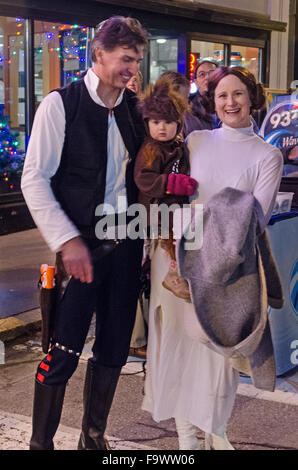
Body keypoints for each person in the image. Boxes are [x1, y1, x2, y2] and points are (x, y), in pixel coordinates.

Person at [21, 16, 148, 450]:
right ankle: (41, 444)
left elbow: (146, 176)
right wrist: (67, 240)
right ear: (99, 54)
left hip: (127, 248)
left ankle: (92, 440)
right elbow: (34, 179)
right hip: (82, 248)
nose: (132, 68)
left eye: (137, 60)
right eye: (126, 58)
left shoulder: (135, 109)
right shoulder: (62, 104)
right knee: (62, 351)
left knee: (113, 348)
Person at [142, 66, 283, 450]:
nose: (230, 102)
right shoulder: (197, 140)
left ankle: (214, 433)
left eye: (237, 94)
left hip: (228, 269)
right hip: (176, 264)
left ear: (251, 98)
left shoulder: (267, 154)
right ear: (213, 101)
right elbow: (167, 195)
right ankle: (188, 439)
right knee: (178, 350)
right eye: (222, 95)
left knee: (219, 361)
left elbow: (255, 216)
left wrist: (197, 219)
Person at [134, 82, 198, 301]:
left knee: (182, 239)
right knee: (171, 242)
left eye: (168, 122)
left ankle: (174, 272)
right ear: (147, 123)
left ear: (178, 124)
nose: (162, 127)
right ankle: (172, 275)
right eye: (156, 122)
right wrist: (174, 183)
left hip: (175, 209)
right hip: (157, 211)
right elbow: (144, 178)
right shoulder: (151, 149)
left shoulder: (176, 146)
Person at [189, 60, 219, 131]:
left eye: (212, 73)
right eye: (202, 74)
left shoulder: (229, 104)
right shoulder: (188, 110)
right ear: (196, 82)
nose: (207, 77)